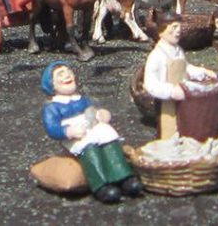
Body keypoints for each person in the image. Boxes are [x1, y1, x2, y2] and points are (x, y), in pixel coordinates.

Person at [40, 61, 143, 204]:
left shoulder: (82, 100)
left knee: (109, 141)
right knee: (91, 149)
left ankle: (123, 176)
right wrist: (68, 131)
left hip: (91, 128)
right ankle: (100, 184)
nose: (67, 75)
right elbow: (52, 128)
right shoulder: (52, 108)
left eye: (68, 71)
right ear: (52, 84)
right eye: (60, 74)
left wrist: (101, 115)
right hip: (75, 135)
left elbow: (93, 112)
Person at [143, 11, 217, 138]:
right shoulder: (157, 56)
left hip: (183, 99)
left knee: (186, 129)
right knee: (169, 132)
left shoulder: (178, 50)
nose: (178, 31)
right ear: (161, 31)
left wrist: (203, 72)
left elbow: (185, 67)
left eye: (179, 27)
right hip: (166, 104)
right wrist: (171, 91)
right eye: (173, 28)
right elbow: (150, 83)